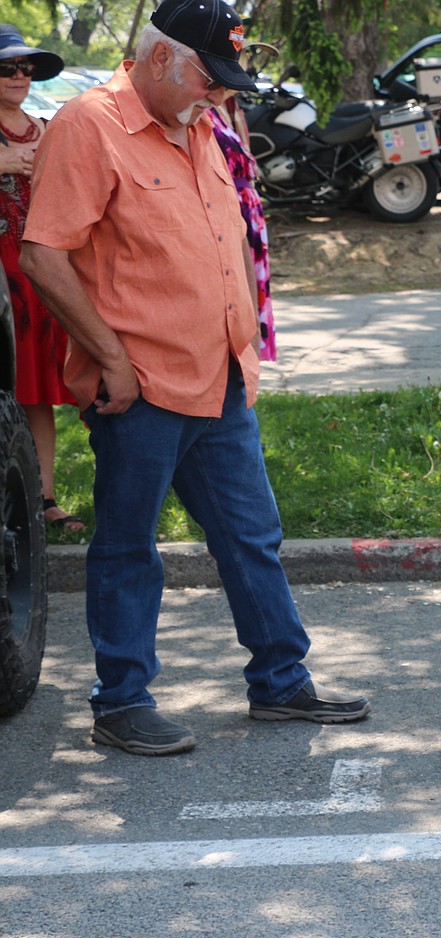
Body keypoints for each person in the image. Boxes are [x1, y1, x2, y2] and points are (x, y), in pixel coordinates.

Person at [19, 0, 370, 756]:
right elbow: (43, 254)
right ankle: (120, 702)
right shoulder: (89, 125)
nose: (219, 93)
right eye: (208, 78)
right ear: (157, 58)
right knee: (126, 545)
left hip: (220, 378)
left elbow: (226, 237)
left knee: (253, 536)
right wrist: (111, 359)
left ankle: (281, 683)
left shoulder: (199, 123)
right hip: (140, 384)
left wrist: (241, 337)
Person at [0, 26, 83, 533]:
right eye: (7, 67)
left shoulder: (47, 127)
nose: (19, 76)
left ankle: (42, 498)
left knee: (37, 394)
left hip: (42, 276)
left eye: (26, 68)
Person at [210, 89, 275, 360]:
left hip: (248, 209)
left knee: (249, 287)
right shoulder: (205, 110)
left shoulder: (234, 108)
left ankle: (250, 355)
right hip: (231, 206)